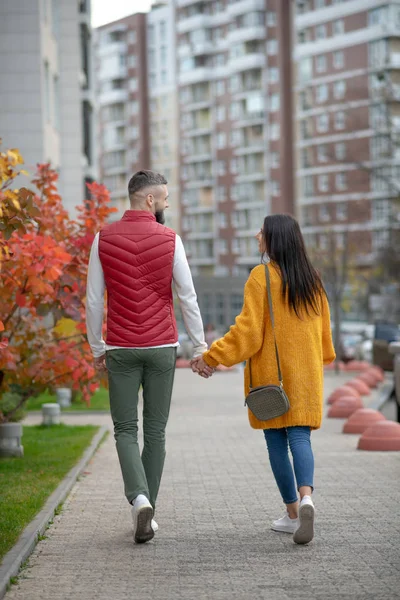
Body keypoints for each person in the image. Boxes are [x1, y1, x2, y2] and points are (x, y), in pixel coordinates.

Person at [191, 214, 335, 545]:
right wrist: (322, 357)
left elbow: (247, 332)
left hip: (272, 379)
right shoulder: (313, 279)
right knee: (301, 438)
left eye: (262, 231)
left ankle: (293, 513)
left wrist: (211, 358)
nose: (257, 235)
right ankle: (308, 496)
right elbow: (324, 331)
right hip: (306, 376)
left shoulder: (261, 277)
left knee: (275, 443)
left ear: (274, 239)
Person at [86, 170, 208, 544]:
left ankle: (139, 500)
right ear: (150, 200)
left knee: (125, 429)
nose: (168, 203)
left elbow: (93, 300)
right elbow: (187, 296)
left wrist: (96, 346)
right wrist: (200, 346)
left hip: (121, 346)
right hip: (161, 347)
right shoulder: (171, 239)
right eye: (166, 198)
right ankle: (147, 508)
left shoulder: (102, 238)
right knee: (155, 431)